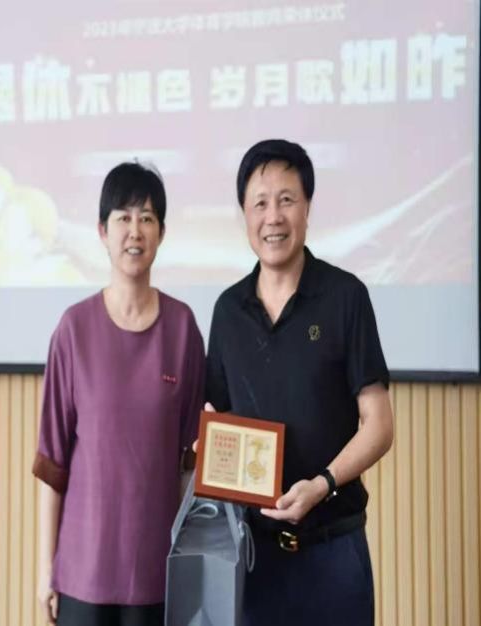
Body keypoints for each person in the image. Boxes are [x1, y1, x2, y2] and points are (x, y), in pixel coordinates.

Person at [205, 139, 394, 626]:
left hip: (334, 550)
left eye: (286, 200)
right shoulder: (227, 312)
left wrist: (322, 485)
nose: (274, 217)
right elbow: (215, 418)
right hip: (253, 558)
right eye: (260, 203)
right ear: (244, 215)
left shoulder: (346, 297)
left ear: (307, 207)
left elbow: (379, 425)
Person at [33, 162, 205, 626]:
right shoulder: (73, 329)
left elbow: (188, 465)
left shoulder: (183, 328)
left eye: (147, 218)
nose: (135, 231)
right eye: (123, 217)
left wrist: (187, 561)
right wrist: (46, 570)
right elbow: (52, 465)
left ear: (161, 232)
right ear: (102, 231)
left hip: (155, 573)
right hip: (81, 574)